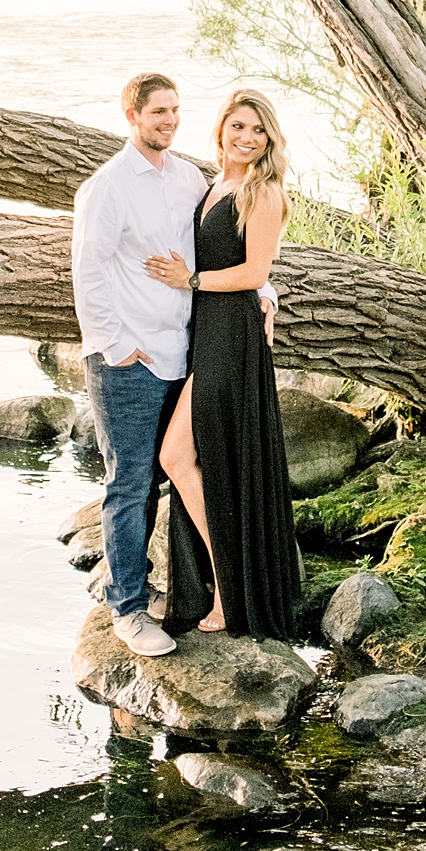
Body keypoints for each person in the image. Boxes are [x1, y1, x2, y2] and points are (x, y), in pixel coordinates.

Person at [70, 73, 277, 659]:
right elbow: (87, 272)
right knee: (130, 485)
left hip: (187, 351)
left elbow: (230, 251)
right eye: (158, 111)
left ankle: (195, 588)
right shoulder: (106, 188)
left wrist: (267, 292)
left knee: (177, 471)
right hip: (131, 359)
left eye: (175, 111)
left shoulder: (190, 178)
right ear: (131, 115)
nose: (168, 120)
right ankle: (128, 611)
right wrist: (114, 347)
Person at [146, 88, 301, 641]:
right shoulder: (215, 184)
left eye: (257, 130)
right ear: (221, 130)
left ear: (269, 138)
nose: (246, 138)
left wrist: (189, 280)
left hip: (231, 335)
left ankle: (230, 591)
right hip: (205, 334)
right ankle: (222, 582)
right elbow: (250, 270)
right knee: (206, 460)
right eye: (237, 126)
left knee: (176, 455)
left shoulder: (264, 193)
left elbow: (253, 270)